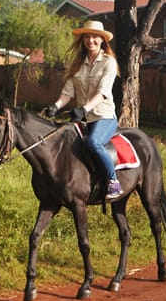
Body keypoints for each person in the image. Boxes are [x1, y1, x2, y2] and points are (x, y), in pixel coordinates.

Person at [45, 20, 123, 199]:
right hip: (83, 118)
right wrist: (55, 106)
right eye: (87, 37)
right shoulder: (78, 63)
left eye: (95, 37)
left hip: (103, 117)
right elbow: (68, 92)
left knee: (92, 143)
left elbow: (103, 92)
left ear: (103, 40)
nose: (91, 40)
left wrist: (84, 108)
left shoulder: (108, 63)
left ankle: (113, 181)